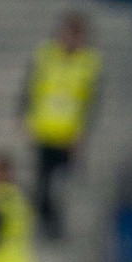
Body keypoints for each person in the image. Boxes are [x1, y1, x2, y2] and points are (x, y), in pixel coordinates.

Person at [20, 12, 99, 240]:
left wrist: (83, 132)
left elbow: (90, 100)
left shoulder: (89, 62)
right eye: (68, 34)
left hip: (69, 135)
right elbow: (30, 86)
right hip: (45, 131)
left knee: (64, 185)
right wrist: (24, 115)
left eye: (76, 36)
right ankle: (47, 224)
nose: (71, 40)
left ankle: (59, 227)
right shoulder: (45, 56)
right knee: (42, 183)